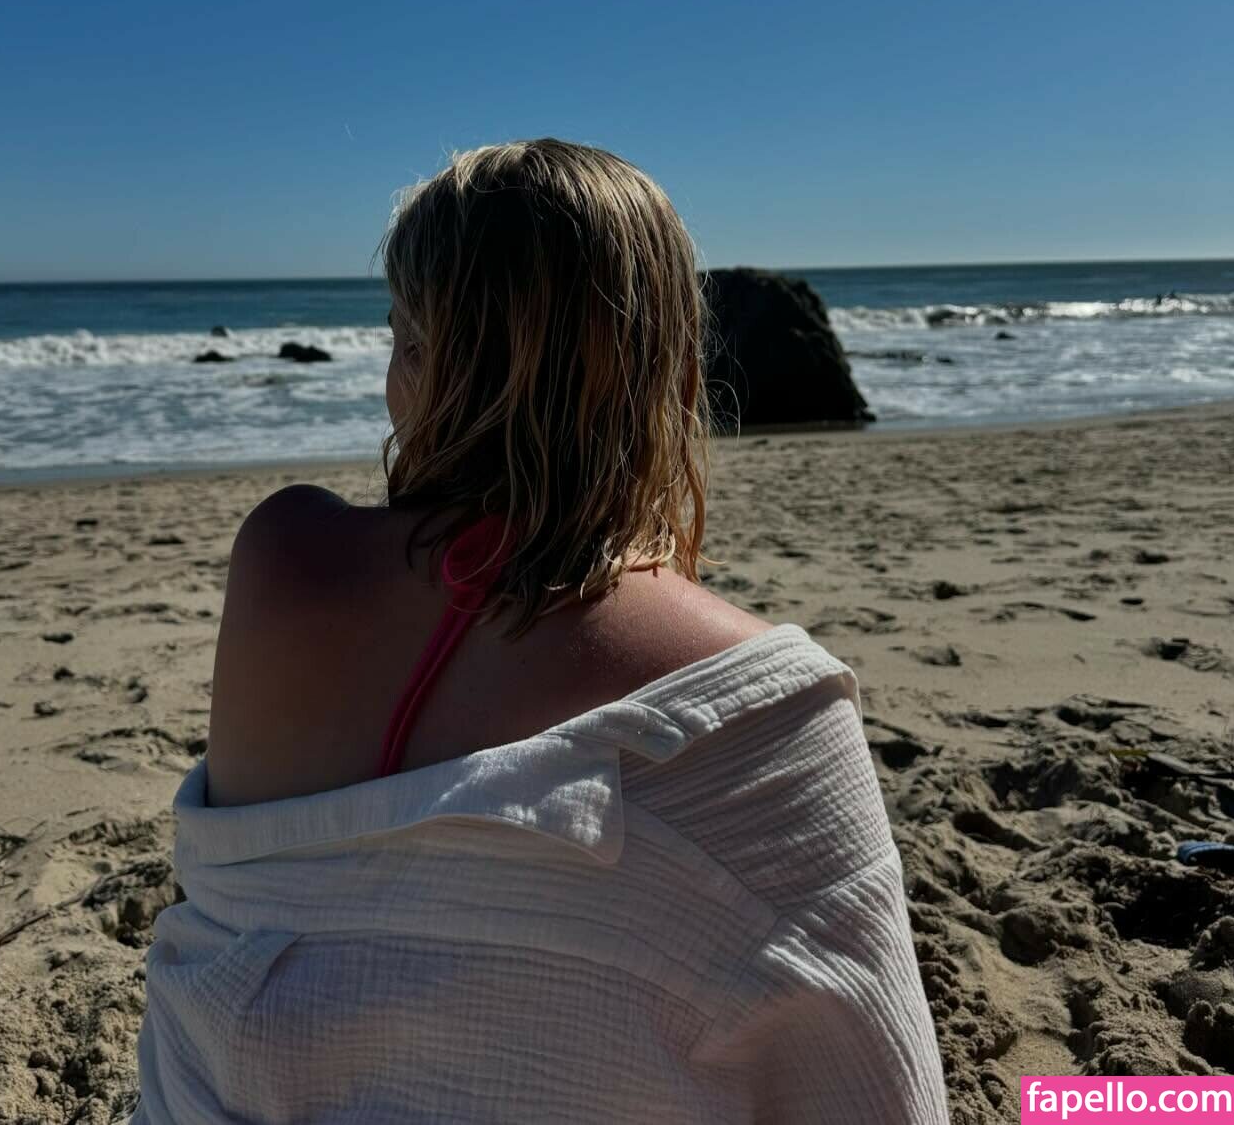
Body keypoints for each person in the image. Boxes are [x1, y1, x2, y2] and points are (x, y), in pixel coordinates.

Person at [130, 139, 949, 1123]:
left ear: (424, 360)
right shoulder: (767, 709)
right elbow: (881, 1091)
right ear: (670, 371)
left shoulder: (283, 559)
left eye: (402, 335)